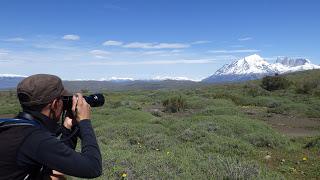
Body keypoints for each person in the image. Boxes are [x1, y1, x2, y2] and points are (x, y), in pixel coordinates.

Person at [0, 74, 102, 179]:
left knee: (54, 175)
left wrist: (67, 128)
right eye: (63, 100)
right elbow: (93, 167)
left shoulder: (17, 126)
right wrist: (84, 121)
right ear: (55, 104)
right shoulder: (35, 139)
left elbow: (57, 160)